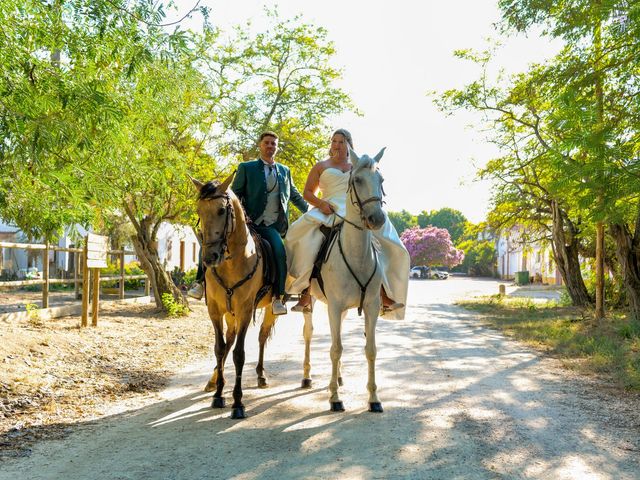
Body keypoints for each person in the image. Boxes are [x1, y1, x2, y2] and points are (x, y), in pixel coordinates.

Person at [284, 129, 410, 319]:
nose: (337, 145)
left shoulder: (358, 166)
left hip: (355, 209)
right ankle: (305, 294)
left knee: (382, 242)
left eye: (341, 142)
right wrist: (321, 204)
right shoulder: (321, 166)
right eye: (334, 141)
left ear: (349, 144)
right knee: (311, 242)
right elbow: (307, 193)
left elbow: (369, 185)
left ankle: (385, 294)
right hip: (328, 209)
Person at [188, 131, 308, 315]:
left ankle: (277, 297)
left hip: (271, 226)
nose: (270, 146)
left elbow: (294, 195)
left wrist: (310, 210)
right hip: (248, 224)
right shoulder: (247, 167)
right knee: (210, 241)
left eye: (273, 144)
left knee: (279, 251)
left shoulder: (285, 171)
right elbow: (234, 195)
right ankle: (200, 282)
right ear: (260, 145)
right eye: (267, 143)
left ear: (277, 147)